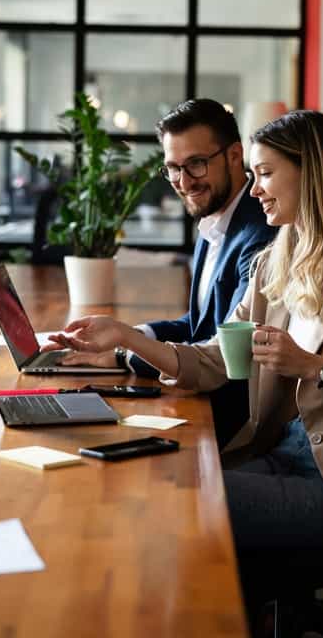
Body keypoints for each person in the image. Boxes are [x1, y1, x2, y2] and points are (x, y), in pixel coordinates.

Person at [49, 110, 323, 621]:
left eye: (265, 173)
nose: (254, 190)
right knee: (164, 482)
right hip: (284, 454)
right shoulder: (276, 260)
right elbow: (214, 358)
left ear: (314, 172)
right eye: (254, 175)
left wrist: (318, 368)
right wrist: (124, 336)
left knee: (182, 506)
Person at [58, 97, 275, 445]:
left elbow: (226, 358)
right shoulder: (215, 220)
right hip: (198, 398)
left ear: (235, 155)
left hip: (230, 421)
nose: (183, 182)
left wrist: (123, 352)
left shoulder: (260, 234)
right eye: (173, 167)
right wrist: (125, 334)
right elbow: (197, 323)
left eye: (197, 164)